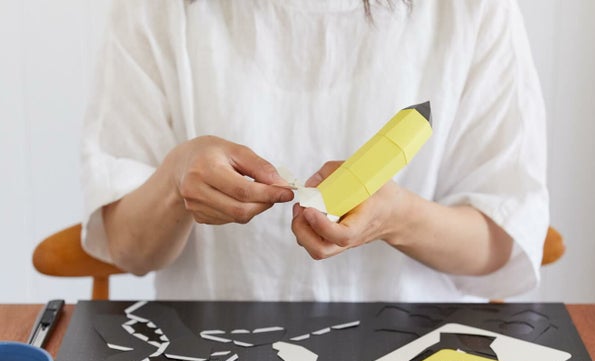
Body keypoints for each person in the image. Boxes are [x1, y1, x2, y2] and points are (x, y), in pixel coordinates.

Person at [80, 0, 548, 302]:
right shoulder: (157, 10)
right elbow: (127, 247)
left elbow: (498, 243)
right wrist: (174, 181)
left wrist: (398, 218)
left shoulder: (471, 11)